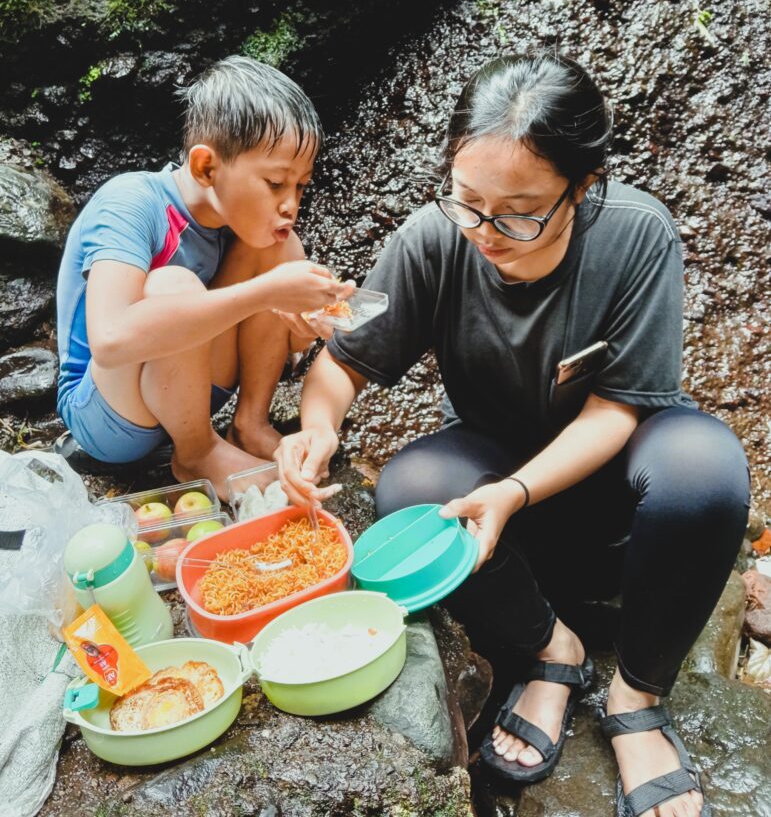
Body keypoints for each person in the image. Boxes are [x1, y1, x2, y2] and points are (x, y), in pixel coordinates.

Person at [274, 51, 750, 817]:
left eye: (519, 211)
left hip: (616, 471)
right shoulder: (432, 238)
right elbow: (341, 362)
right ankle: (548, 650)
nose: (486, 232)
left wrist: (513, 492)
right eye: (468, 201)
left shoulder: (635, 236)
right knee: (409, 488)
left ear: (582, 188)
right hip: (495, 469)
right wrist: (318, 429)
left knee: (705, 470)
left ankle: (636, 695)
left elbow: (615, 410)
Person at [56, 56, 351, 499]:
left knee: (279, 248)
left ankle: (250, 425)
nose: (291, 203)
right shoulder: (131, 202)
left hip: (188, 392)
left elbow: (279, 344)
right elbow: (110, 339)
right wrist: (265, 292)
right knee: (173, 285)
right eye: (275, 183)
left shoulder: (242, 225)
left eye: (301, 186)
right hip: (108, 413)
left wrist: (307, 323)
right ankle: (197, 453)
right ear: (206, 168)